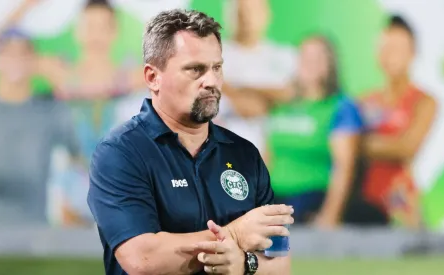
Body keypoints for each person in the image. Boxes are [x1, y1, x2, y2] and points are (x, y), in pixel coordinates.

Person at [87, 9, 293, 275]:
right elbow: (141, 258)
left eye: (216, 68)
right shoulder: (120, 153)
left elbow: (280, 262)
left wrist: (243, 264)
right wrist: (235, 235)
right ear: (152, 77)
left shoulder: (245, 154)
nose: (211, 81)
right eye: (195, 69)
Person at [266, 35, 363, 228]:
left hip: (310, 198)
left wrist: (330, 216)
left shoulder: (340, 107)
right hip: (274, 197)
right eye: (304, 56)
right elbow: (268, 156)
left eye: (317, 57)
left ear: (329, 65)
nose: (309, 63)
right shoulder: (283, 106)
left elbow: (344, 167)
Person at [0, 16, 80, 224]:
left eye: (23, 54)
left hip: (33, 232)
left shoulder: (51, 110)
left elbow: (81, 154)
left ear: (34, 61)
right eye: (8, 53)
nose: (16, 60)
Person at [358, 15, 437, 228]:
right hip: (363, 198)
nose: (390, 56)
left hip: (400, 200)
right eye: (385, 48)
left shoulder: (424, 101)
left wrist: (361, 143)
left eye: (397, 49)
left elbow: (407, 147)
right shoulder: (363, 101)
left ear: (412, 53)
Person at [215, 0, 297, 156]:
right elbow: (249, 108)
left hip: (274, 152)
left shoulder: (285, 57)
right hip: (222, 148)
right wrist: (267, 97)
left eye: (251, 10)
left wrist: (235, 88)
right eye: (239, 11)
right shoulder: (213, 54)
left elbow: (289, 95)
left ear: (267, 14)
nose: (245, 17)